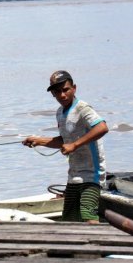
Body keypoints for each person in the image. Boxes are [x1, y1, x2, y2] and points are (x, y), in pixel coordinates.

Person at [22, 70, 108, 224]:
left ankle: (97, 245)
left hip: (92, 175)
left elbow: (102, 127)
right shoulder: (60, 113)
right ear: (53, 94)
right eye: (57, 92)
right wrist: (38, 141)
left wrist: (75, 145)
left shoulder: (83, 109)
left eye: (65, 90)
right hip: (74, 176)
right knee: (68, 220)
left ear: (74, 88)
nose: (62, 95)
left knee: (88, 213)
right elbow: (64, 141)